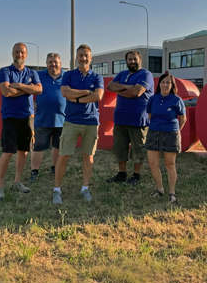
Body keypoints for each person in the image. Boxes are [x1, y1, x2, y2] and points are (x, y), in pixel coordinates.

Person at [52, 44, 104, 204]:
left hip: (91, 121)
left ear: (91, 57)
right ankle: (57, 190)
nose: (83, 58)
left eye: (86, 55)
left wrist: (75, 97)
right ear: (76, 58)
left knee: (88, 156)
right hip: (71, 121)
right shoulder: (68, 75)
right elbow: (65, 92)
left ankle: (85, 188)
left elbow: (98, 96)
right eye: (80, 55)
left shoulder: (97, 77)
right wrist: (85, 92)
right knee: (63, 156)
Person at [0, 43, 42, 200]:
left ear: (26, 55)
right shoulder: (5, 71)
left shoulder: (32, 72)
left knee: (23, 151)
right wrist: (28, 89)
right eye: (16, 52)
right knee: (7, 152)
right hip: (10, 117)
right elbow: (6, 91)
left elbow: (39, 90)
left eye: (22, 52)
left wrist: (20, 86)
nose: (19, 54)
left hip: (27, 117)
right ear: (12, 53)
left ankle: (17, 182)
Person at [107, 50, 154, 186]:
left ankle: (136, 176)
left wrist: (120, 90)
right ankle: (121, 174)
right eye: (129, 59)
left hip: (138, 120)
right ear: (126, 61)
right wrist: (127, 87)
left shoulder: (146, 74)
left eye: (134, 59)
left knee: (137, 149)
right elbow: (110, 86)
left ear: (140, 60)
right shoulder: (122, 74)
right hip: (120, 119)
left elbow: (137, 92)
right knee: (120, 148)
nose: (132, 61)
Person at [145, 73, 186, 203]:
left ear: (172, 85)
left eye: (168, 82)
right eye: (163, 82)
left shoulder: (176, 100)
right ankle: (159, 188)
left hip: (170, 134)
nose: (165, 85)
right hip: (153, 133)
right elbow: (150, 116)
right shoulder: (153, 99)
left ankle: (172, 192)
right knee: (153, 164)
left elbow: (183, 118)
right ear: (159, 84)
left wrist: (176, 131)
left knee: (170, 164)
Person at [29, 53, 66, 182]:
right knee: (38, 146)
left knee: (58, 146)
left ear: (60, 63)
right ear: (46, 63)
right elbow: (27, 89)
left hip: (62, 120)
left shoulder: (67, 77)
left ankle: (54, 168)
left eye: (55, 62)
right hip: (42, 118)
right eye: (50, 62)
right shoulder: (38, 75)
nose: (53, 64)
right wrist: (31, 102)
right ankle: (34, 171)